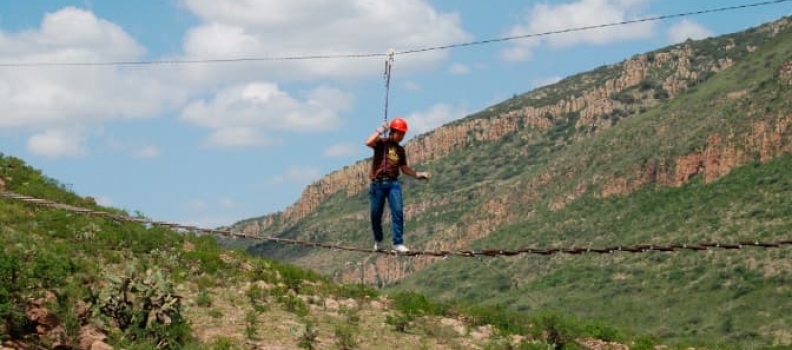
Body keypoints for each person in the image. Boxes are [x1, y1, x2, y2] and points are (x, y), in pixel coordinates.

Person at [365, 117, 430, 252]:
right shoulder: (381, 143)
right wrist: (380, 130)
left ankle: (398, 243)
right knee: (375, 214)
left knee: (398, 212)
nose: (401, 137)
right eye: (399, 133)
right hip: (377, 184)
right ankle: (379, 240)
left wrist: (418, 174)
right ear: (392, 131)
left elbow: (404, 169)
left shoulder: (400, 150)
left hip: (393, 183)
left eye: (403, 134)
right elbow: (368, 142)